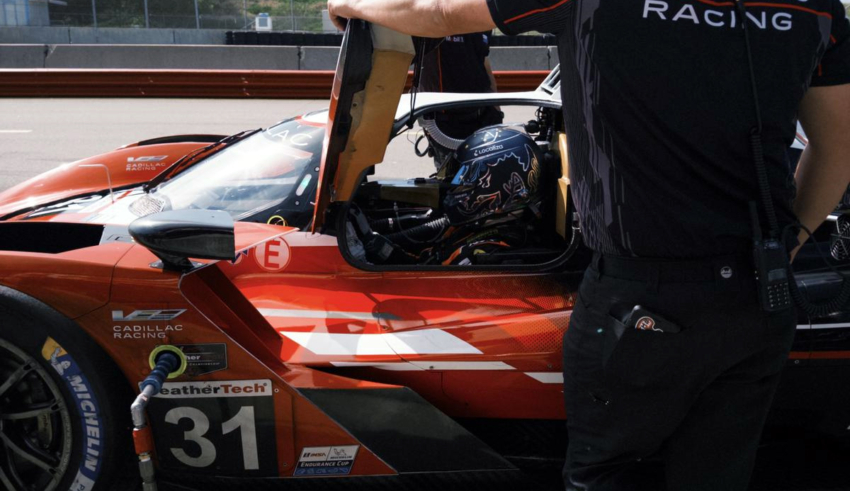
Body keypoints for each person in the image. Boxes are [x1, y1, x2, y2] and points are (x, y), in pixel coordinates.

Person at [326, 1, 850, 490]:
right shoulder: (815, 8)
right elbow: (839, 145)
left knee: (603, 473)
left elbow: (436, 12)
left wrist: (346, 4)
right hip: (757, 302)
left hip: (638, 299)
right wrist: (787, 246)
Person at [417, 32, 504, 171]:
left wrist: (496, 109)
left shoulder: (480, 27)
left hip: (482, 117)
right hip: (445, 124)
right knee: (452, 178)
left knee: (486, 174)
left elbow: (484, 63)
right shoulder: (433, 26)